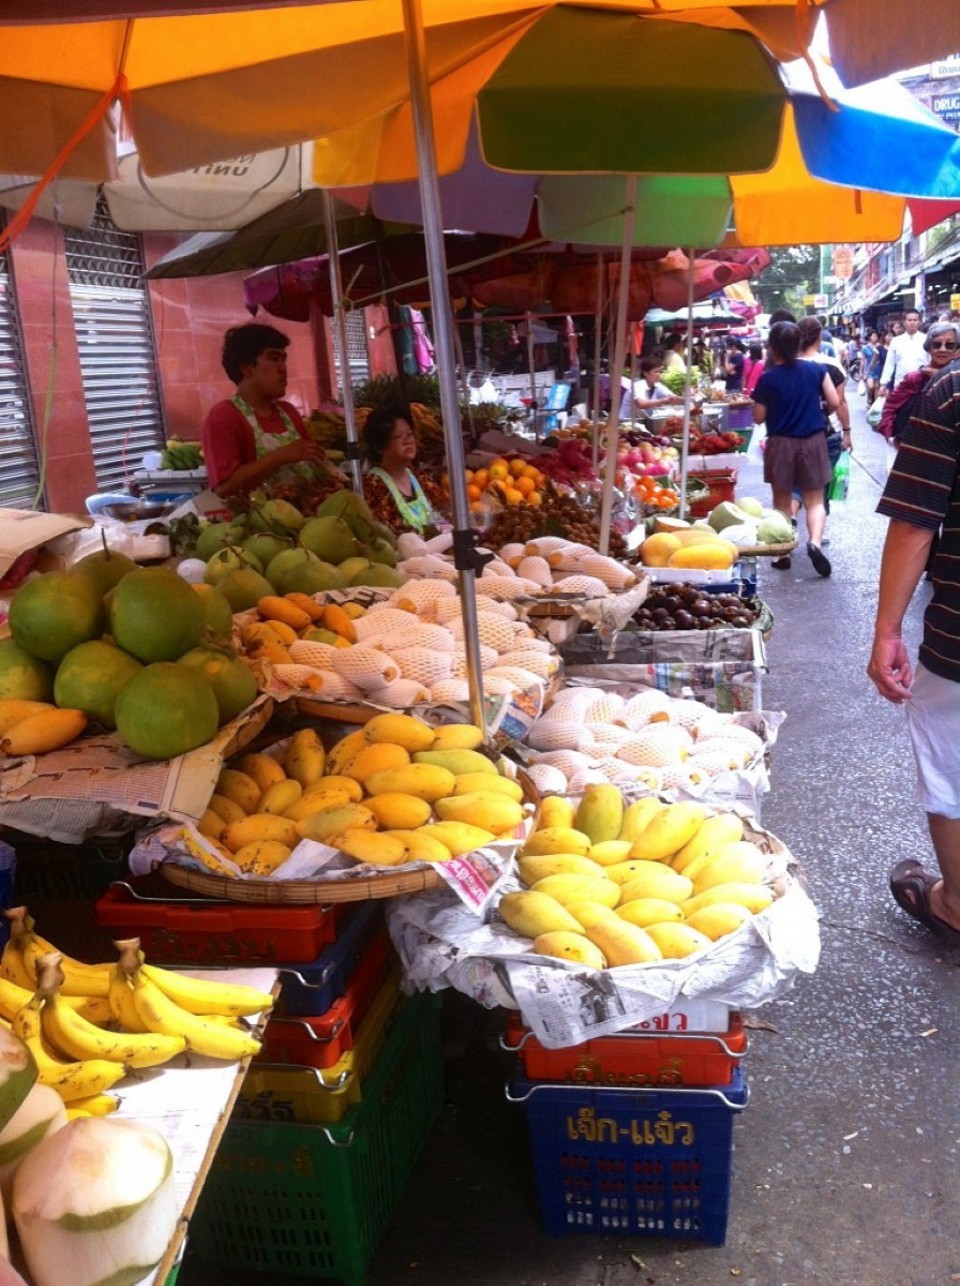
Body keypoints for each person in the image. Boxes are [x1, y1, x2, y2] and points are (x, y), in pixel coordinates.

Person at [867, 345, 960, 946]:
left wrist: (887, 631)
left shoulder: (952, 392)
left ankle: (954, 904)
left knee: (952, 761)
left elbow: (914, 522)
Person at [201, 323, 337, 498]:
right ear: (246, 368)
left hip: (308, 518)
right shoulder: (224, 416)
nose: (283, 368)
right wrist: (279, 457)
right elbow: (225, 488)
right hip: (261, 523)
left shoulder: (288, 412)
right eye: (273, 359)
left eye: (283, 359)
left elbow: (314, 461)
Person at [751, 321, 840, 578]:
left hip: (780, 443)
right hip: (813, 440)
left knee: (781, 502)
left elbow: (758, 417)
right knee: (815, 500)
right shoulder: (816, 369)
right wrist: (815, 412)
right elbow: (834, 401)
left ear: (773, 348)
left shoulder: (767, 379)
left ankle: (783, 554)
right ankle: (814, 542)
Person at [361, 403, 445, 536]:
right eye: (399, 436)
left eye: (410, 434)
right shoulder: (373, 485)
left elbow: (442, 511)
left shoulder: (420, 477)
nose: (408, 441)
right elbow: (386, 533)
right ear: (379, 446)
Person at [876, 321, 960, 445]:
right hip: (915, 449)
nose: (943, 349)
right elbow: (889, 408)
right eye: (937, 345)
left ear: (956, 350)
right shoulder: (916, 378)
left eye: (949, 345)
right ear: (928, 348)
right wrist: (891, 440)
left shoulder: (957, 379)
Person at [880, 309, 926, 391]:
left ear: (919, 322)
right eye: (909, 320)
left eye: (915, 320)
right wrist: (883, 384)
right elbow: (889, 363)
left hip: (922, 384)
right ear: (904, 322)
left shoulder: (926, 339)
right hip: (900, 384)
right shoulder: (896, 341)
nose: (912, 323)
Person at [862, 330, 882, 402]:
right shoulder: (865, 348)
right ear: (870, 337)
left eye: (876, 336)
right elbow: (863, 360)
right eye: (873, 336)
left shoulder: (880, 346)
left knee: (877, 387)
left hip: (878, 369)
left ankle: (875, 405)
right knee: (871, 387)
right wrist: (861, 372)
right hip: (869, 370)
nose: (875, 338)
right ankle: (869, 398)